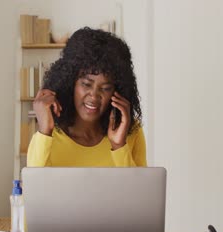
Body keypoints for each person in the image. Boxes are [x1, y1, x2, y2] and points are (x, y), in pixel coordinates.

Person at [27, 27, 146, 167]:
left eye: (105, 88)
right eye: (86, 84)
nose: (94, 96)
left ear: (116, 91)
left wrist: (119, 146)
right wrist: (45, 131)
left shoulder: (130, 131)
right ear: (71, 83)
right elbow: (34, 186)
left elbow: (138, 188)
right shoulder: (47, 134)